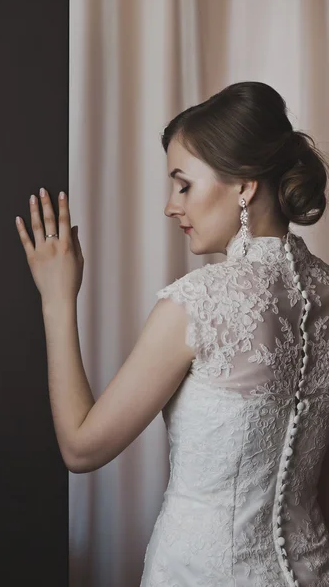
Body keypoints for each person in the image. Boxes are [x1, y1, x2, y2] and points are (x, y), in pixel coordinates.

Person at [139, 81, 329, 587]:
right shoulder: (327, 290)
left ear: (245, 186)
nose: (171, 206)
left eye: (184, 185)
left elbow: (81, 448)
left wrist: (56, 298)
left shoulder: (197, 302)